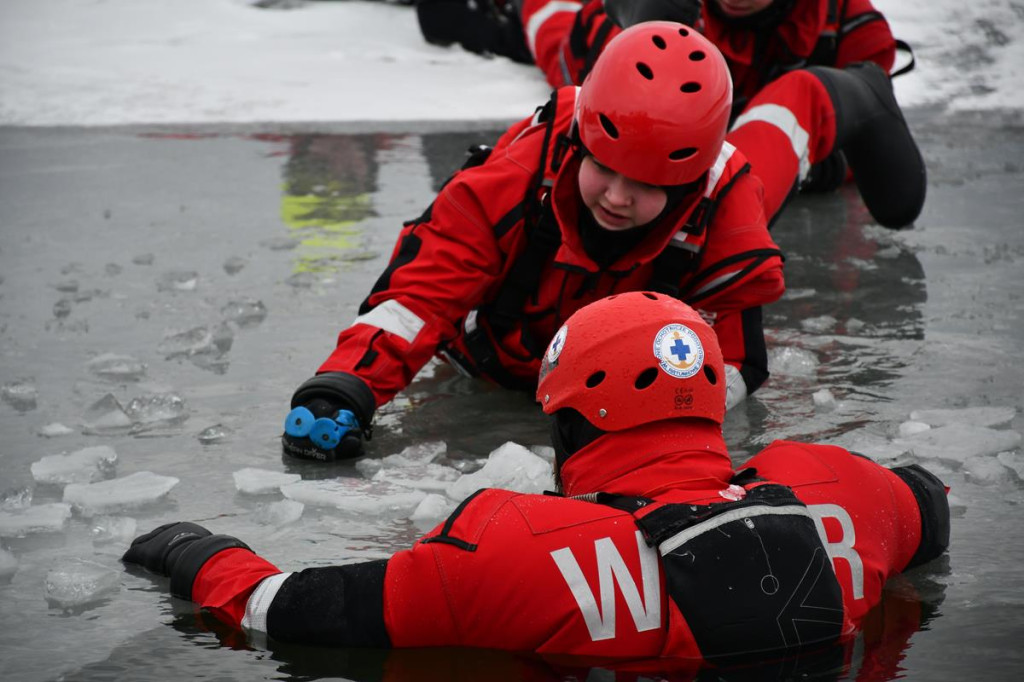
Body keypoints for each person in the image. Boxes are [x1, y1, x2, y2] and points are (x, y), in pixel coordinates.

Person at [122, 291, 950, 663]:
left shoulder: (514, 552)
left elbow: (283, 612)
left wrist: (186, 547)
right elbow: (930, 503)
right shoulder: (845, 490)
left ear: (569, 421)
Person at [280, 21, 925, 462]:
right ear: (580, 141)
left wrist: (654, 423)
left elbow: (730, 363)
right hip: (505, 363)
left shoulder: (722, 201)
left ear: (688, 182)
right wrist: (345, 385)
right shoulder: (512, 181)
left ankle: (844, 92)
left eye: (648, 184)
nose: (618, 197)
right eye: (605, 168)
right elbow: (417, 300)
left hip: (716, 200)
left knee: (778, 137)